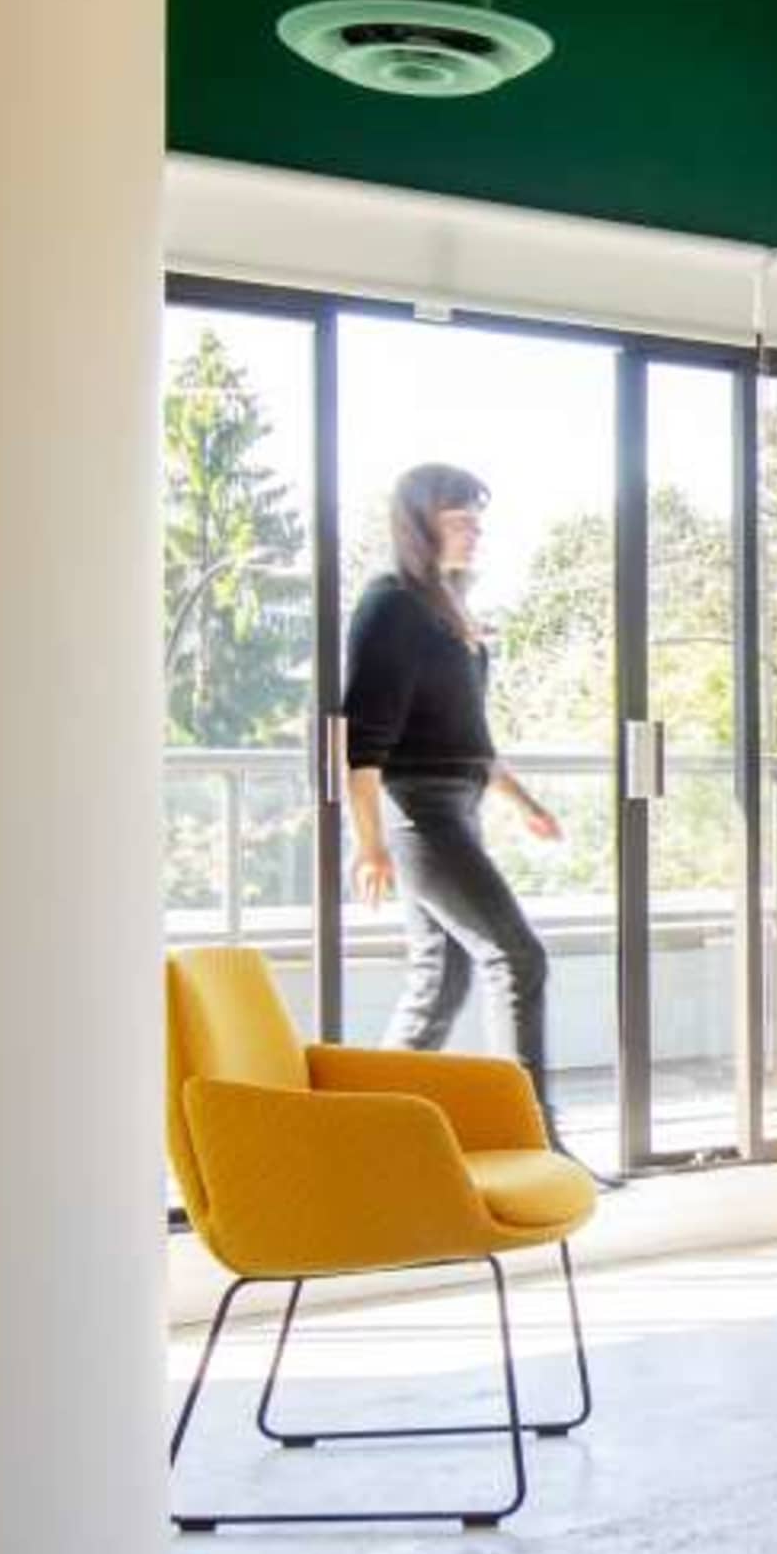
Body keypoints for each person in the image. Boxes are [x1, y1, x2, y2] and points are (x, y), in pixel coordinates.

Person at [340, 462, 567, 1143]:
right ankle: (531, 1137)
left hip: (457, 806)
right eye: (460, 519)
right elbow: (360, 742)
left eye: (477, 519)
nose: (475, 531)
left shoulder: (450, 615)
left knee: (441, 981)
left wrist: (525, 803)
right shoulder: (391, 606)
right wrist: (370, 844)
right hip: (420, 814)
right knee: (516, 957)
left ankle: (362, 1135)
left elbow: (471, 740)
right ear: (420, 523)